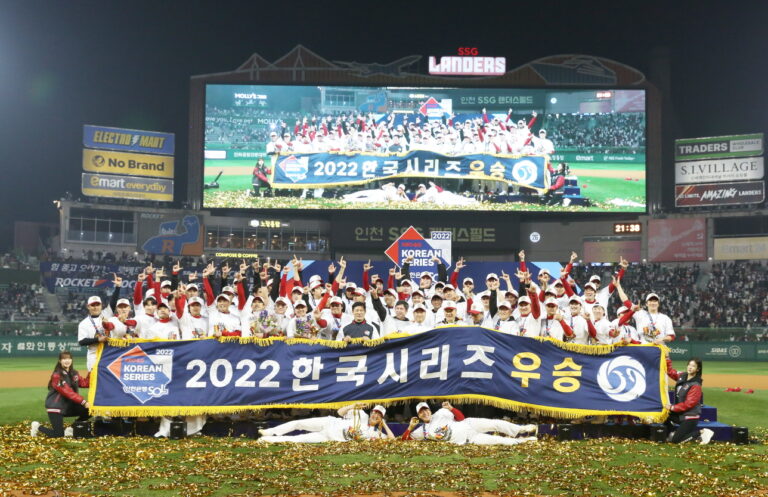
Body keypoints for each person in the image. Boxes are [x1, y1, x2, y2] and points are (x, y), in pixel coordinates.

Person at [401, 401, 538, 445]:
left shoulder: (441, 412)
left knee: (496, 423)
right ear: (418, 415)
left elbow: (461, 418)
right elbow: (405, 440)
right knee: (498, 440)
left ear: (429, 410)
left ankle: (523, 429)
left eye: (426, 410)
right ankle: (524, 441)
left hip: (469, 424)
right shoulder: (423, 430)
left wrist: (451, 408)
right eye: (421, 412)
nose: (424, 413)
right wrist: (410, 427)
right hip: (469, 439)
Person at [259, 403, 394, 442]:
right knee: (298, 423)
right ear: (371, 412)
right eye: (375, 413)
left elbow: (392, 439)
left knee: (299, 439)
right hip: (329, 422)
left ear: (380, 419)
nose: (375, 416)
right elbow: (339, 412)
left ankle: (266, 440)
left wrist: (385, 424)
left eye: (379, 416)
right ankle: (270, 432)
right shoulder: (361, 414)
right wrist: (352, 406)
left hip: (329, 437)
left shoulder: (374, 433)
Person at [30, 351, 90, 438]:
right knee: (58, 435)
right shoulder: (57, 375)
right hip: (56, 407)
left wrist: (92, 371)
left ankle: (71, 429)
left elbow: (85, 383)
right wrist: (84, 402)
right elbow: (67, 392)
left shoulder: (74, 373)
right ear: (60, 361)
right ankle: (37, 427)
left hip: (68, 406)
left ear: (72, 360)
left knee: (91, 410)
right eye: (64, 359)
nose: (67, 361)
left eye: (69, 358)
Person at [665, 357, 714, 444]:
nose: (690, 367)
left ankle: (702, 432)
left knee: (675, 441)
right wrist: (667, 358)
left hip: (690, 417)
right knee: (664, 414)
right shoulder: (682, 375)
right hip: (681, 414)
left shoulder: (696, 385)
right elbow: (670, 372)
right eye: (689, 365)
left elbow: (688, 404)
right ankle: (673, 432)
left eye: (693, 366)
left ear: (698, 369)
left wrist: (672, 407)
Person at [77, 296, 109, 371]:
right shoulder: (84, 323)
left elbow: (113, 302)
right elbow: (81, 341)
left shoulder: (107, 316)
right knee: (93, 377)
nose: (95, 307)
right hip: (94, 355)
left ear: (101, 305)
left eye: (97, 305)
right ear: (88, 306)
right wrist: (98, 339)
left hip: (108, 354)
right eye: (93, 305)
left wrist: (118, 288)